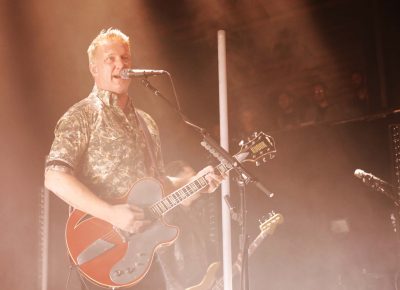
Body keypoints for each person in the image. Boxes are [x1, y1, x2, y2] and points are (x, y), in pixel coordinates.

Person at [44, 28, 223, 290]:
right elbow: (54, 177)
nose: (121, 64)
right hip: (102, 246)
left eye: (125, 58)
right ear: (94, 68)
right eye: (111, 59)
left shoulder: (146, 123)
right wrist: (111, 214)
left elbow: (160, 187)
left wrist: (195, 186)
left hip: (144, 253)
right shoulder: (81, 115)